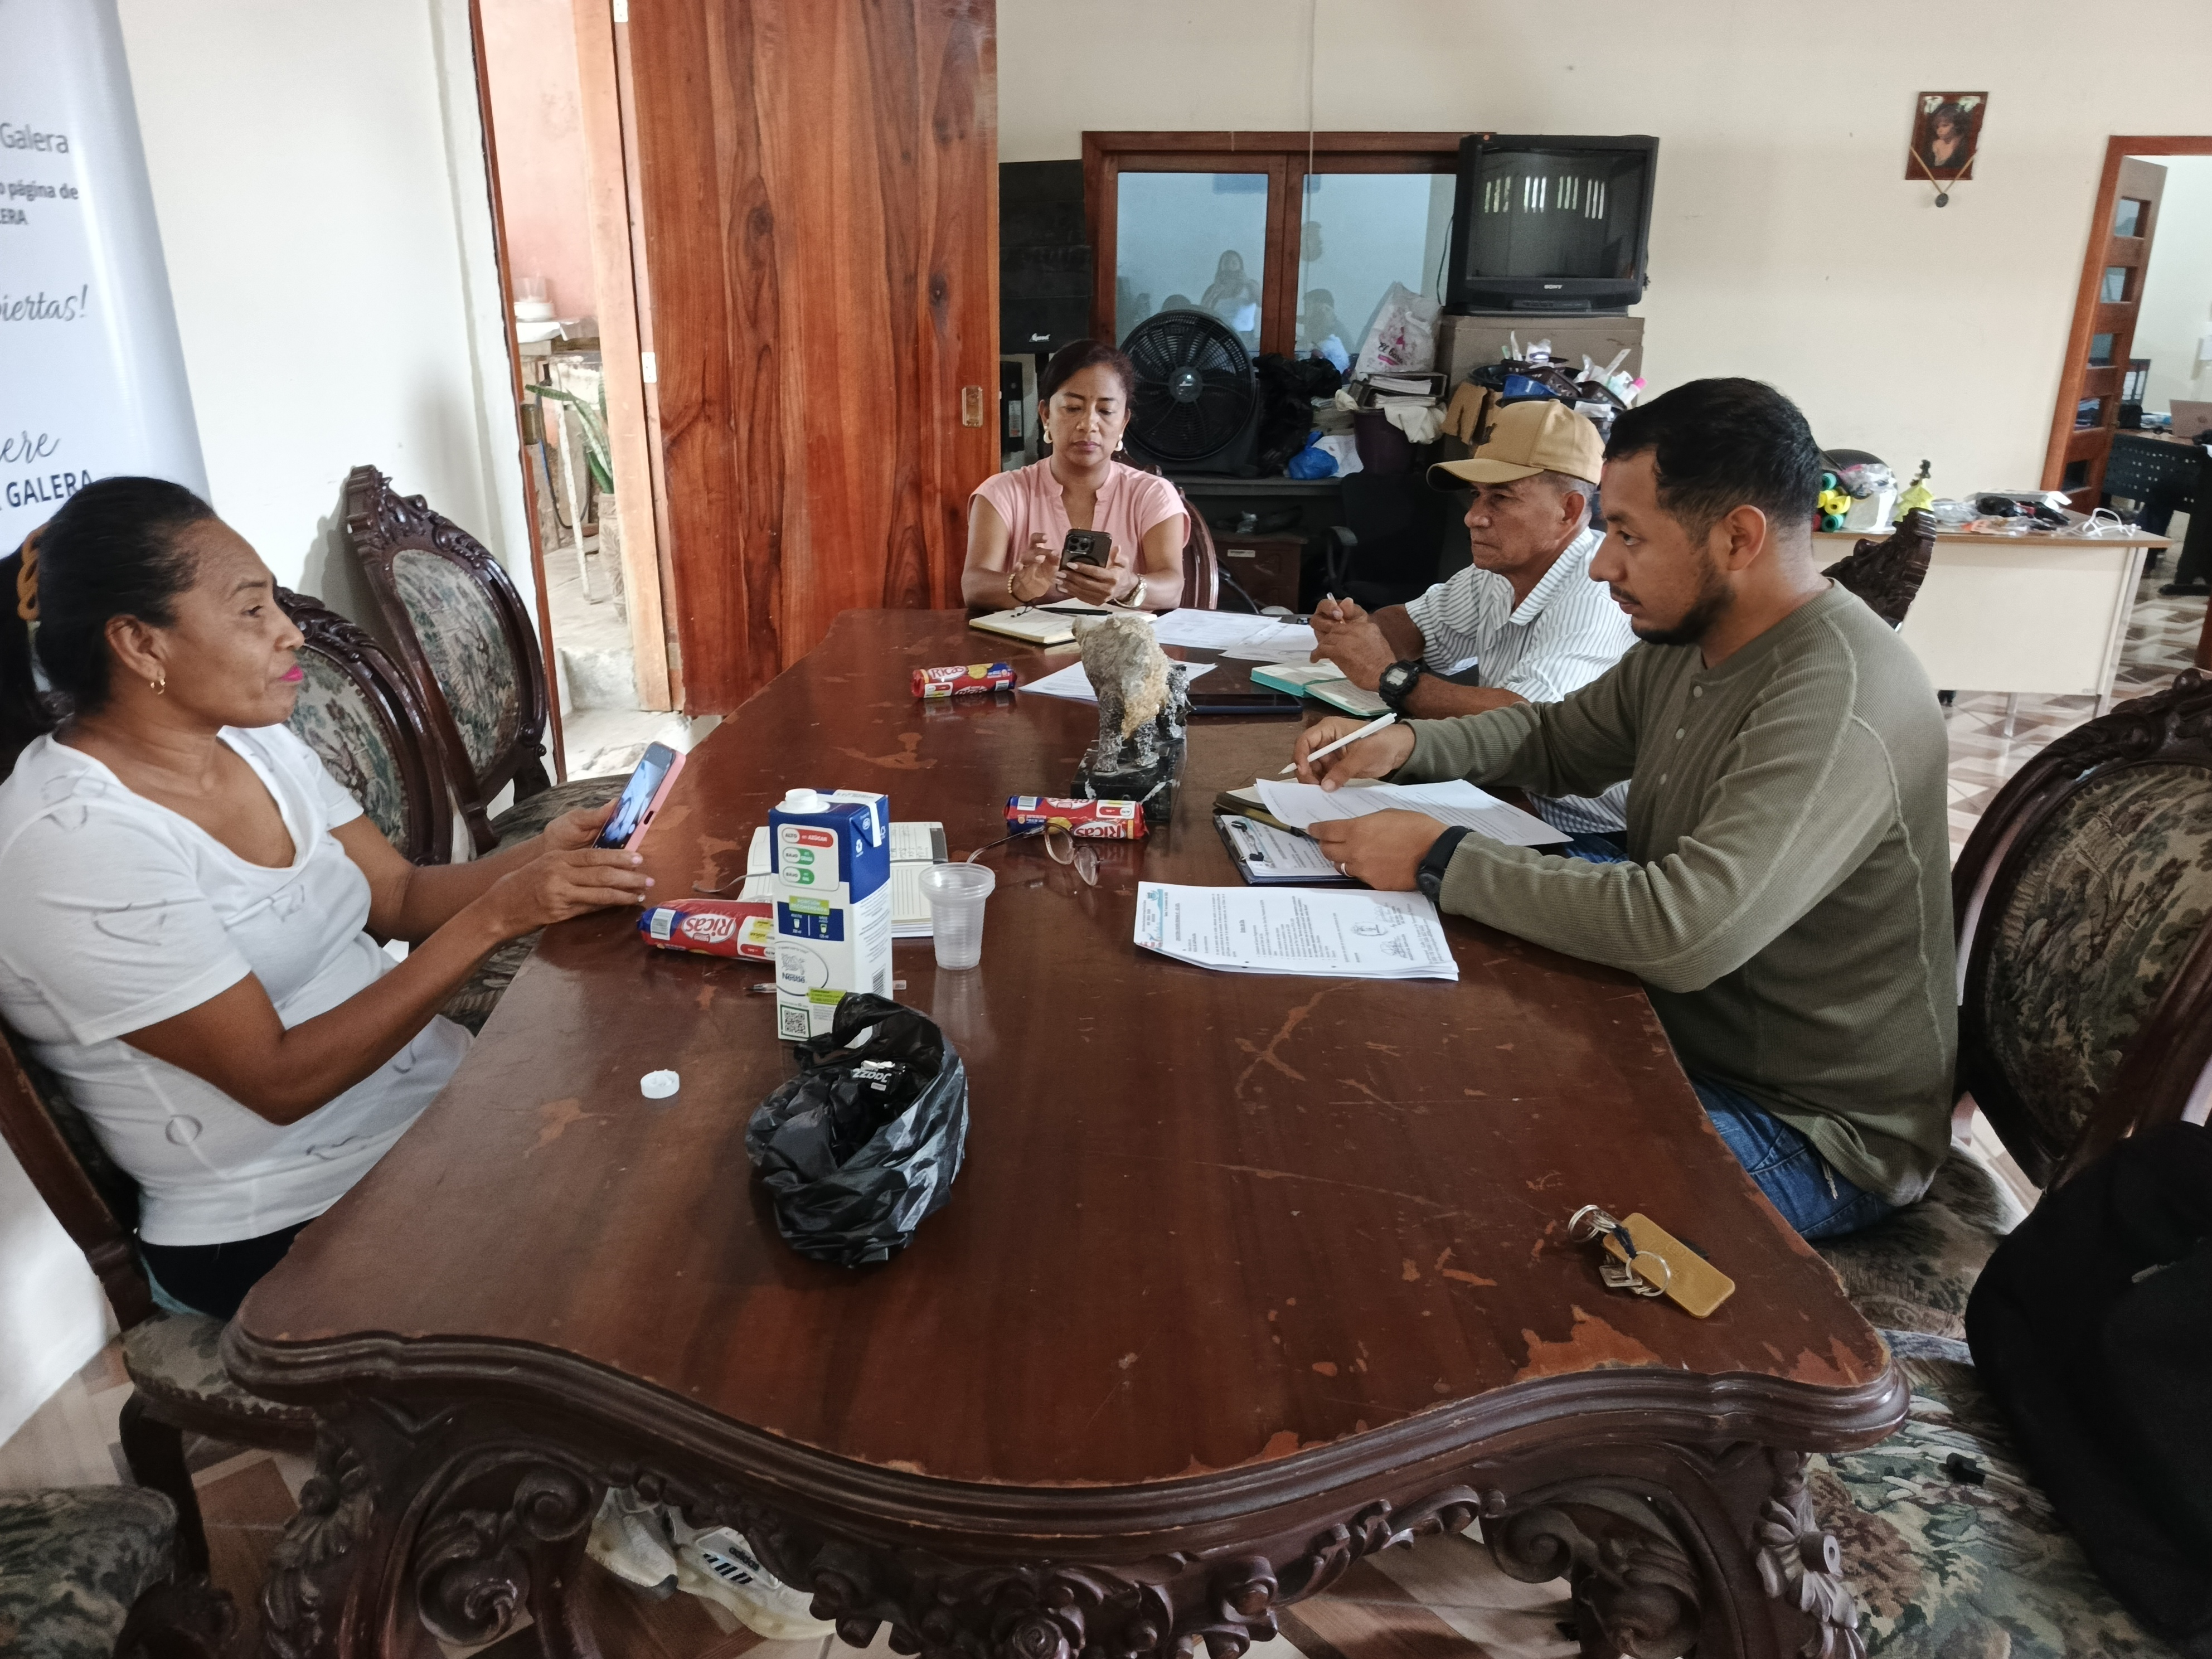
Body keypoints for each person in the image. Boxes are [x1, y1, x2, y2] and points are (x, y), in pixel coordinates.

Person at [1289, 379, 1955, 1241]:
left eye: (1629, 536)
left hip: (1810, 1126)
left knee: (1468, 1198)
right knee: (1412, 1093)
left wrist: (1438, 855)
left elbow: (1682, 929)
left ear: (1738, 538)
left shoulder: (1837, 694)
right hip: (1684, 1035)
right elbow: (1556, 739)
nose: (1603, 565)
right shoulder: (1696, 639)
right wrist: (1407, 746)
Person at [0, 479, 653, 1317]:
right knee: (631, 1265)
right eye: (252, 610)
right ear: (139, 644)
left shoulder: (252, 744)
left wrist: (545, 852)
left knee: (671, 1138)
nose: (291, 631)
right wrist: (499, 916)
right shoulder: (72, 841)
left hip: (427, 1105)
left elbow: (398, 895)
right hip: (283, 1221)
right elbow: (278, 1080)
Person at [1307, 399, 1637, 856]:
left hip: (1583, 835)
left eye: (1500, 498)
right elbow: (1410, 621)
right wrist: (1361, 632)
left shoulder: (1596, 591)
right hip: (1505, 798)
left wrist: (1389, 675)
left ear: (1569, 509)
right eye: (1478, 495)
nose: (1473, 516)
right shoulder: (1498, 572)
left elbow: (1527, 724)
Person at [962, 339, 1187, 612]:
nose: (1088, 424)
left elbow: (1173, 589)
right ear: (1046, 415)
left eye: (1106, 411)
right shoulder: (1001, 493)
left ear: (1123, 422)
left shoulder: (1153, 494)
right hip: (1026, 639)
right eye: (1072, 408)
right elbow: (973, 587)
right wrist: (1020, 585)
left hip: (1122, 639)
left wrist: (1128, 586)